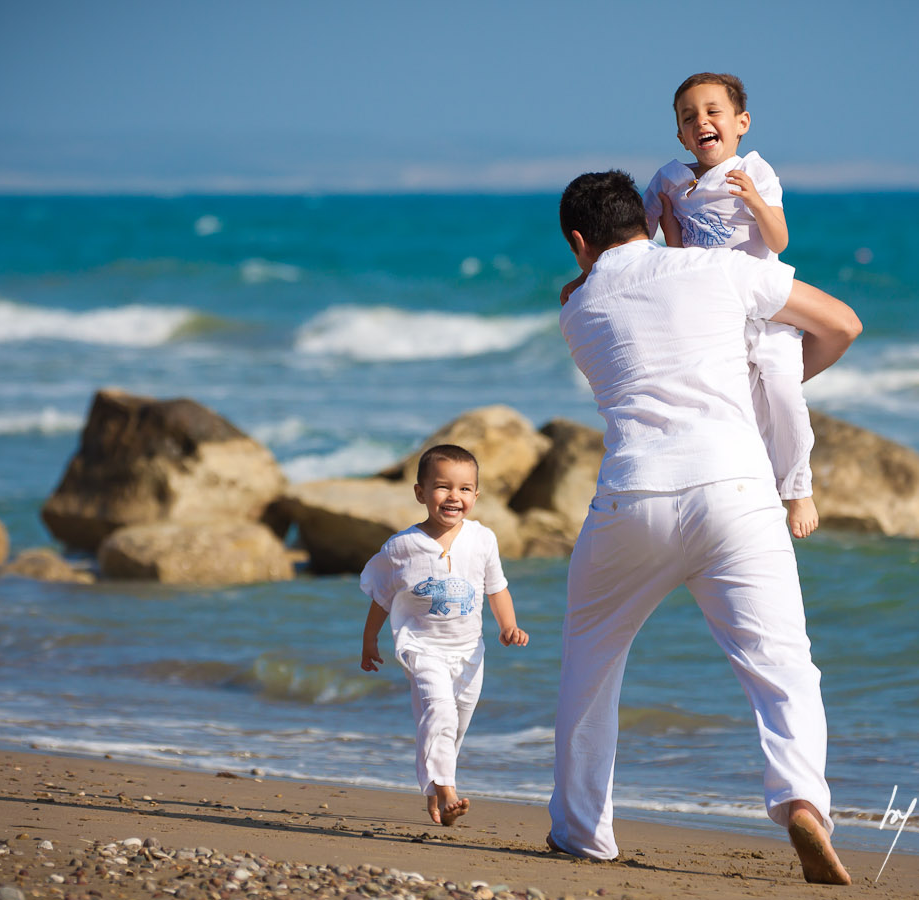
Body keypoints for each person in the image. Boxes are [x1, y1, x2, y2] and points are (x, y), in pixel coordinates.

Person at [547, 170, 860, 885]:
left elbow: (608, 297)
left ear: (577, 242)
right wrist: (761, 396)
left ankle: (581, 830)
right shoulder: (720, 269)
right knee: (782, 665)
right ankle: (803, 801)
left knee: (591, 659)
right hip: (737, 489)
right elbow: (842, 324)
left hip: (634, 496)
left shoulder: (576, 310)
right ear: (646, 218)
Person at [647, 72, 817, 539]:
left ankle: (798, 488)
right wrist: (590, 272)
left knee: (784, 397)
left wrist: (757, 203)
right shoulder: (671, 179)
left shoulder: (756, 171)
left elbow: (779, 240)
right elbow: (637, 239)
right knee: (739, 409)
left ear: (741, 122)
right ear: (680, 134)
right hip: (714, 316)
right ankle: (757, 488)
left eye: (712, 111)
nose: (701, 121)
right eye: (689, 117)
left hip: (766, 310)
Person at [359, 444, 529, 826]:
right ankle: (449, 789)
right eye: (442, 487)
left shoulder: (483, 539)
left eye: (465, 489)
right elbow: (382, 597)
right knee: (440, 711)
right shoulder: (401, 547)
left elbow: (496, 587)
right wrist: (369, 640)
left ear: (476, 496)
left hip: (470, 651)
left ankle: (437, 792)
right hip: (421, 646)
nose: (454, 496)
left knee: (455, 725)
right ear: (420, 492)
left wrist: (508, 625)